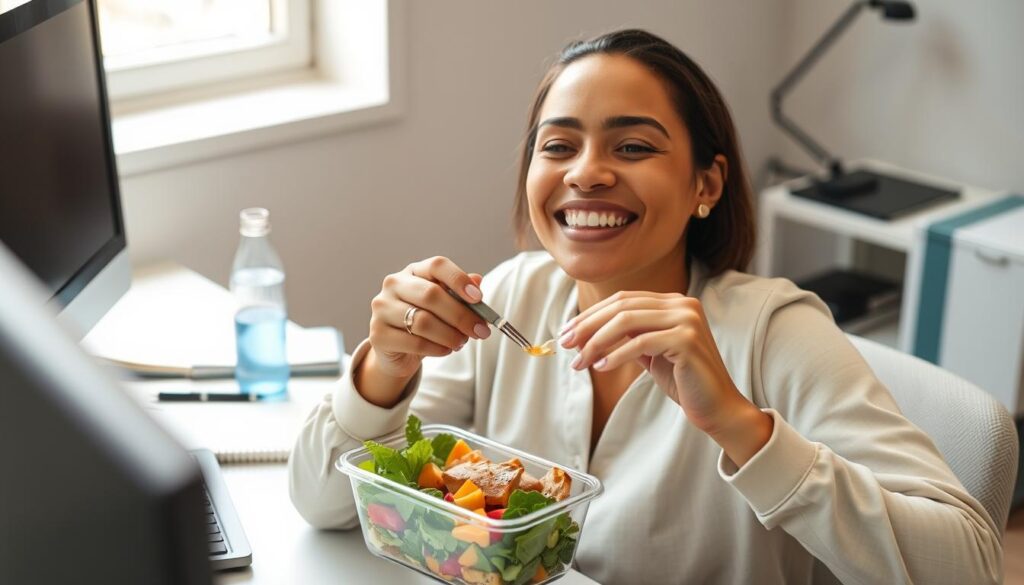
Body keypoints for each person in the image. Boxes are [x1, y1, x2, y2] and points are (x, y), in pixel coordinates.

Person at [289, 29, 1002, 584]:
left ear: (707, 184)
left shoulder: (775, 335)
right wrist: (384, 366)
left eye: (632, 146)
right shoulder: (513, 298)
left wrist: (742, 426)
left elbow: (970, 566)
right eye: (558, 145)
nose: (587, 172)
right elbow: (322, 502)